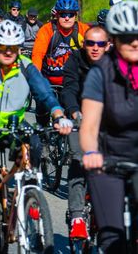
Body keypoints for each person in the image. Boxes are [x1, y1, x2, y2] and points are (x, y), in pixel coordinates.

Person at [0, 20, 72, 253]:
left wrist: (58, 114)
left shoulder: (26, 66)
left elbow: (44, 92)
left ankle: (27, 190)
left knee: (36, 144)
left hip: (13, 128)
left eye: (13, 47)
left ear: (19, 47)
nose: (8, 52)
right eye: (3, 47)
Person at [80, 0, 138, 253]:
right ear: (113, 40)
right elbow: (89, 127)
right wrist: (91, 152)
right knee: (113, 239)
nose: (134, 43)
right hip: (108, 159)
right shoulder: (100, 73)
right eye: (126, 38)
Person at [61, 26, 110, 240]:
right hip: (79, 117)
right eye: (91, 43)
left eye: (101, 44)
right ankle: (77, 217)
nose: (95, 48)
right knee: (80, 160)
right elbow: (69, 88)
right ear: (84, 44)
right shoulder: (75, 60)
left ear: (108, 45)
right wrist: (74, 112)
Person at [32, 0, 89, 86]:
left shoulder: (83, 29)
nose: (67, 18)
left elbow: (95, 50)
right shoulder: (47, 30)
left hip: (75, 81)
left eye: (71, 14)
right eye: (63, 14)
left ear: (75, 15)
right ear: (57, 15)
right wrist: (36, 78)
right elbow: (37, 55)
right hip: (50, 82)